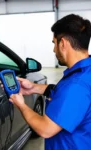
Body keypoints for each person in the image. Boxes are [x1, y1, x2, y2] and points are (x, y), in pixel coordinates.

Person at [8, 14, 91, 150]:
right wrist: (34, 87)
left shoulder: (76, 85)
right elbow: (65, 94)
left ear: (63, 43)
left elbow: (45, 129)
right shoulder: (84, 72)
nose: (53, 49)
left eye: (54, 43)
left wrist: (21, 104)